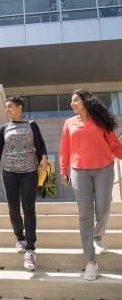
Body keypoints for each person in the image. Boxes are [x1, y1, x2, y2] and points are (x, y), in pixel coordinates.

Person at [59, 89, 122, 281]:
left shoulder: (100, 120)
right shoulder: (69, 123)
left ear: (85, 101)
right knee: (85, 214)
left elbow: (115, 145)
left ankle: (97, 237)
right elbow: (65, 148)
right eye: (71, 102)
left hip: (104, 168)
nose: (72, 104)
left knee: (103, 209)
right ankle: (90, 262)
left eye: (75, 100)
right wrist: (64, 170)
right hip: (79, 171)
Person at [0, 96, 48, 271]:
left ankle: (30, 249)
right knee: (13, 208)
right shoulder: (3, 128)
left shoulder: (32, 125)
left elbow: (41, 145)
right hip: (9, 172)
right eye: (6, 107)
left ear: (19, 107)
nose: (7, 110)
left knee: (29, 208)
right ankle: (19, 238)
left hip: (30, 171)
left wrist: (44, 158)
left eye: (10, 107)